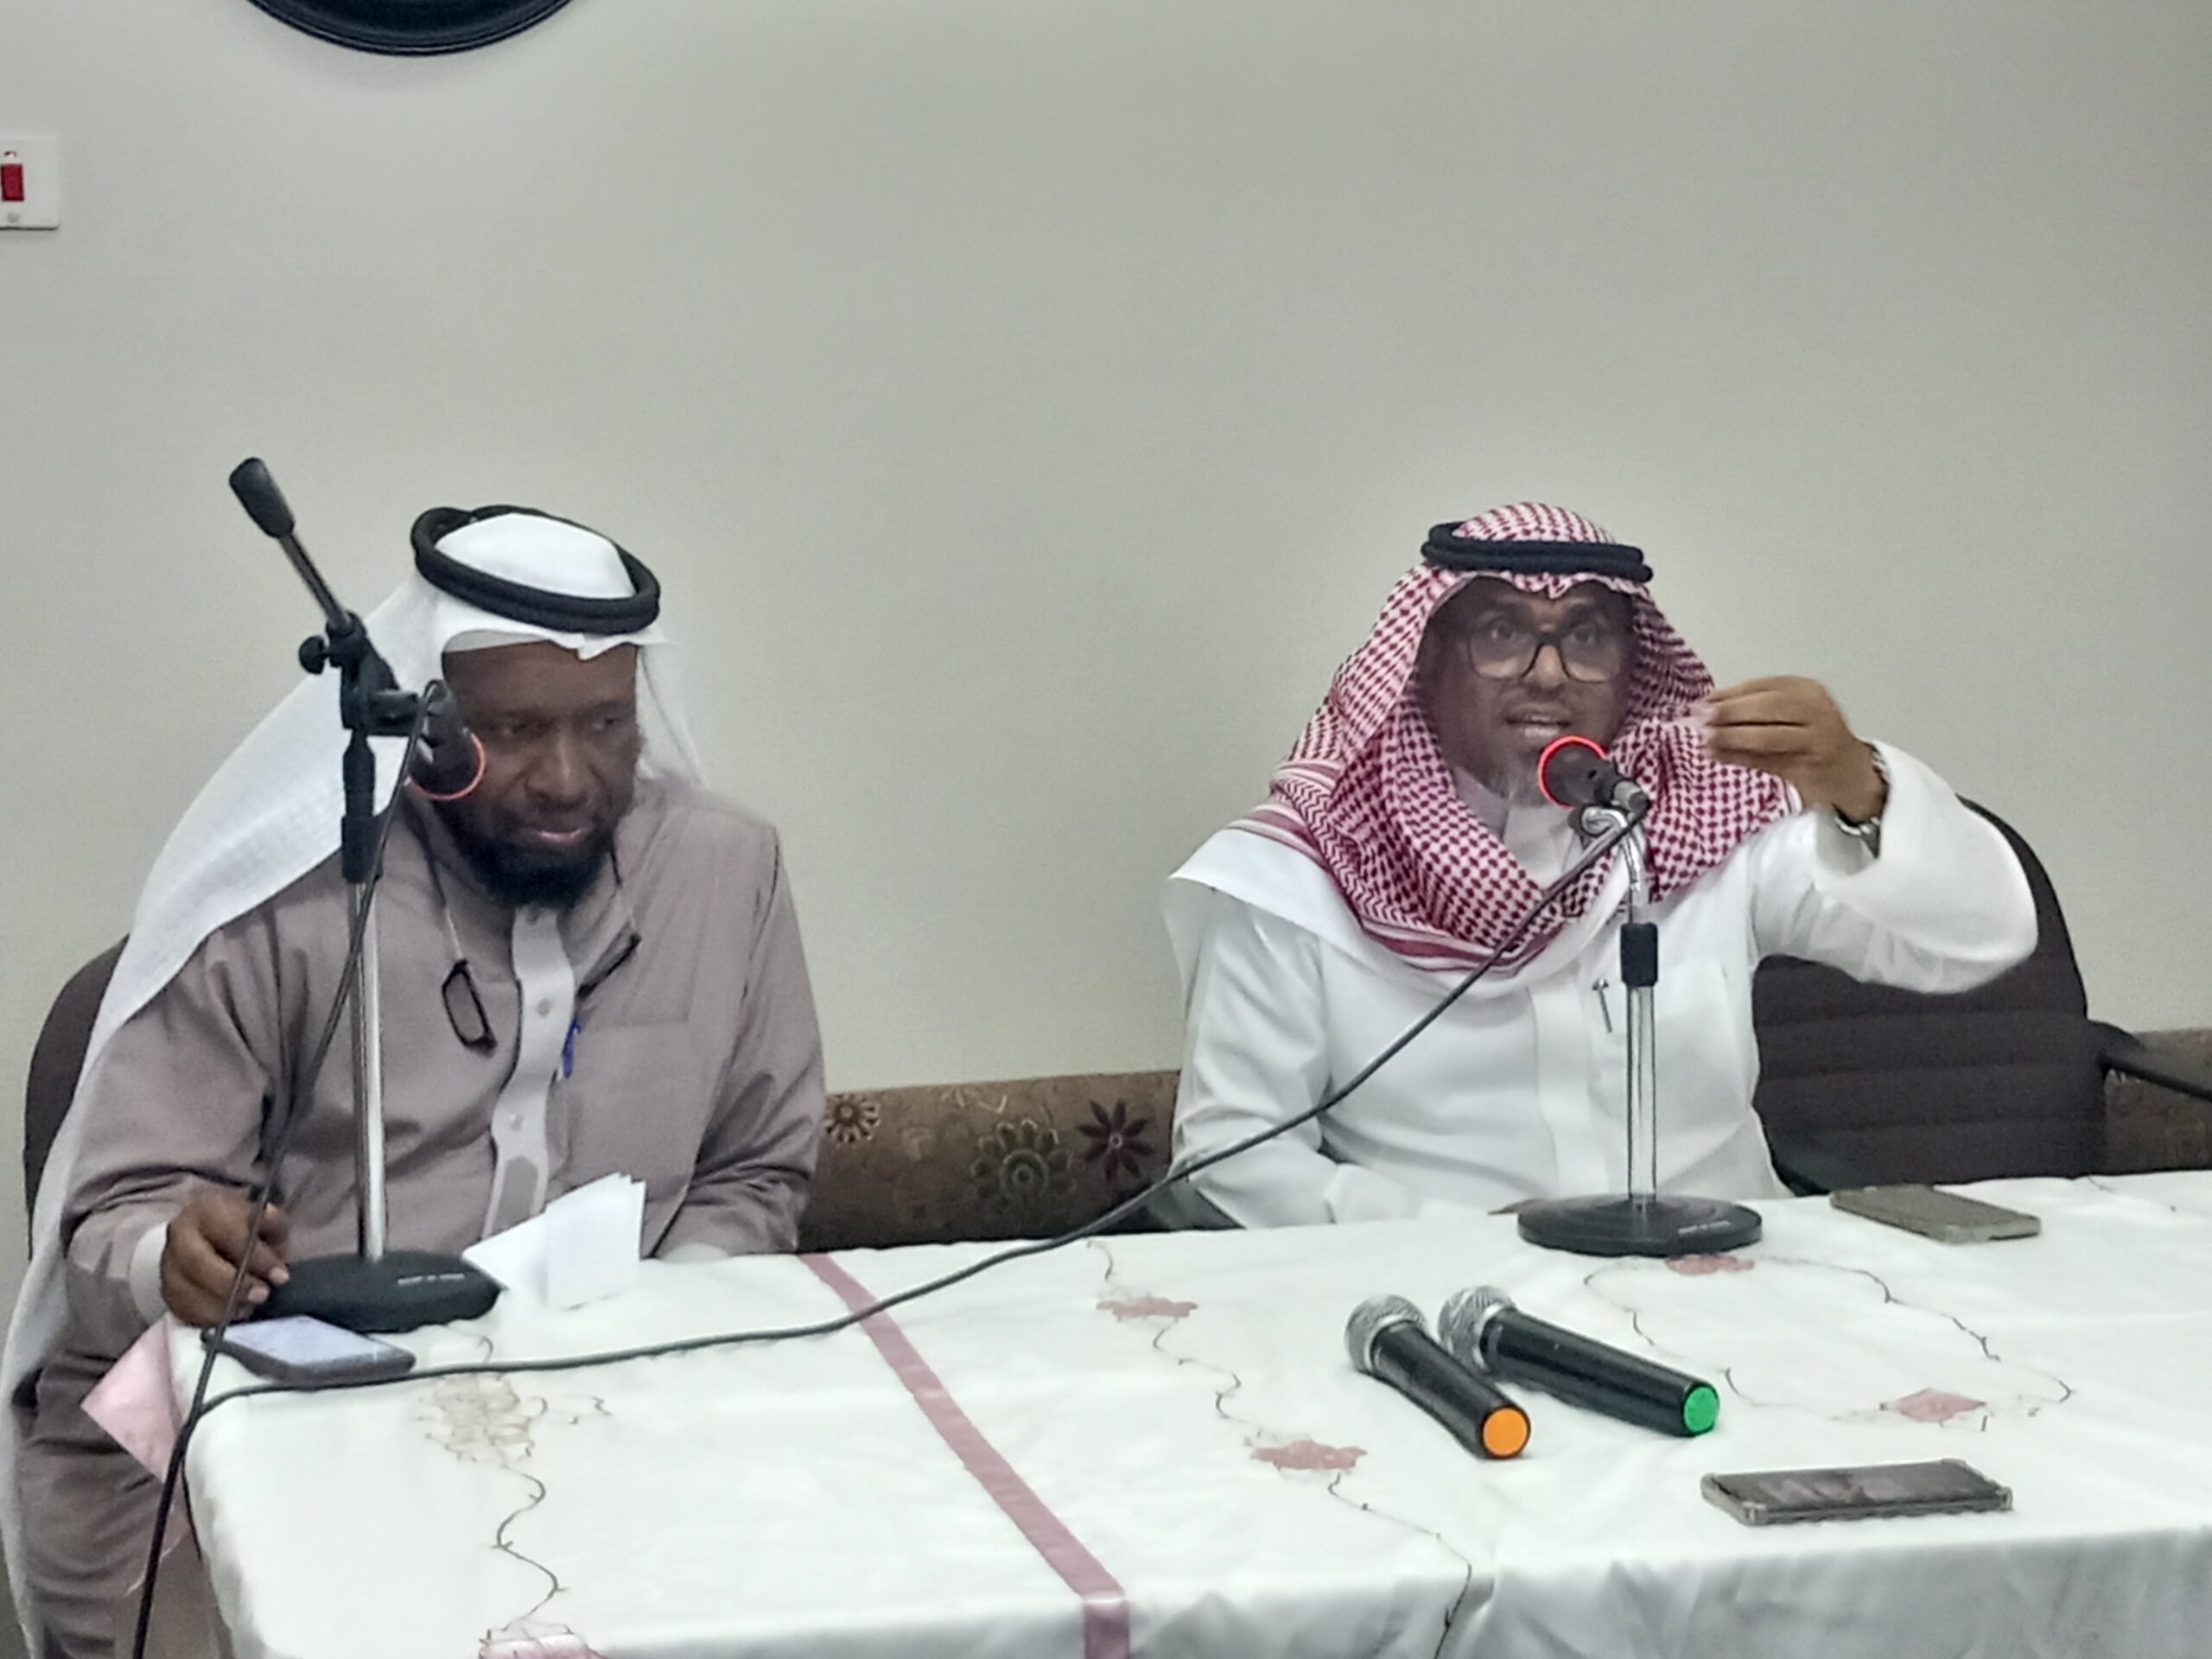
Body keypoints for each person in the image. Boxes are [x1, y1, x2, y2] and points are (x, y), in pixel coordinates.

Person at [4, 505, 827, 1657]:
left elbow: (754, 1170)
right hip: (238, 1433)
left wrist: (653, 1336)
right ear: (431, 724)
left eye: (604, 726)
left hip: (597, 1418)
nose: (567, 779)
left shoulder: (723, 871)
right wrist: (171, 1256)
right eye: (517, 731)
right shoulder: (287, 897)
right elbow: (116, 1215)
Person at [1164, 500, 2037, 1227]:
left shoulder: (1702, 819)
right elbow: (1233, 1157)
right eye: (1500, 632)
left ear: (1630, 669)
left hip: (1733, 1283)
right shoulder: (1302, 872)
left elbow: (1974, 945)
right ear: (1426, 664)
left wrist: (1860, 786)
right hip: (1449, 1300)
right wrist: (1457, 1241)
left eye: (1586, 637)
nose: (1547, 674)